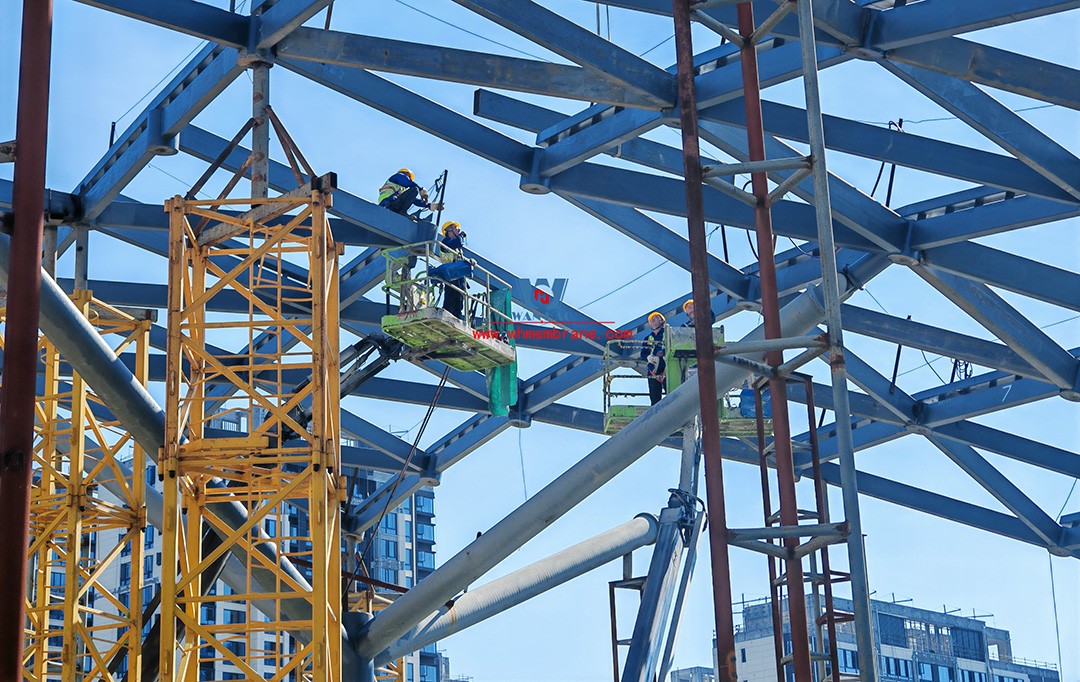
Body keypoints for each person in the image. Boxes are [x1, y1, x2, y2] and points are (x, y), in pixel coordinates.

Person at [378, 168, 444, 216]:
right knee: (414, 189)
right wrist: (421, 190)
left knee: (413, 191)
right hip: (387, 202)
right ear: (405, 173)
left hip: (393, 205)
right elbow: (406, 181)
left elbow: (413, 200)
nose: (409, 179)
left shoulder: (401, 189)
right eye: (409, 177)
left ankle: (402, 212)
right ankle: (402, 212)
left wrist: (430, 205)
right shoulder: (397, 176)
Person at [439, 221, 468, 319]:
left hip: (458, 275)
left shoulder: (456, 247)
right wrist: (460, 236)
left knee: (459, 299)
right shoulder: (446, 242)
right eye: (456, 228)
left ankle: (457, 318)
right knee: (450, 297)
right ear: (449, 230)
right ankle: (446, 317)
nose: (458, 230)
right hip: (450, 274)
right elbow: (457, 243)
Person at [640, 311, 667, 405]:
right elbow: (643, 353)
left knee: (672, 395)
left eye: (655, 318)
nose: (653, 320)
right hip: (653, 371)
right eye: (651, 320)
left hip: (667, 368)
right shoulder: (648, 338)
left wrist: (663, 353)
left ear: (662, 321)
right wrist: (648, 357)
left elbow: (675, 345)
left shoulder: (668, 333)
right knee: (654, 399)